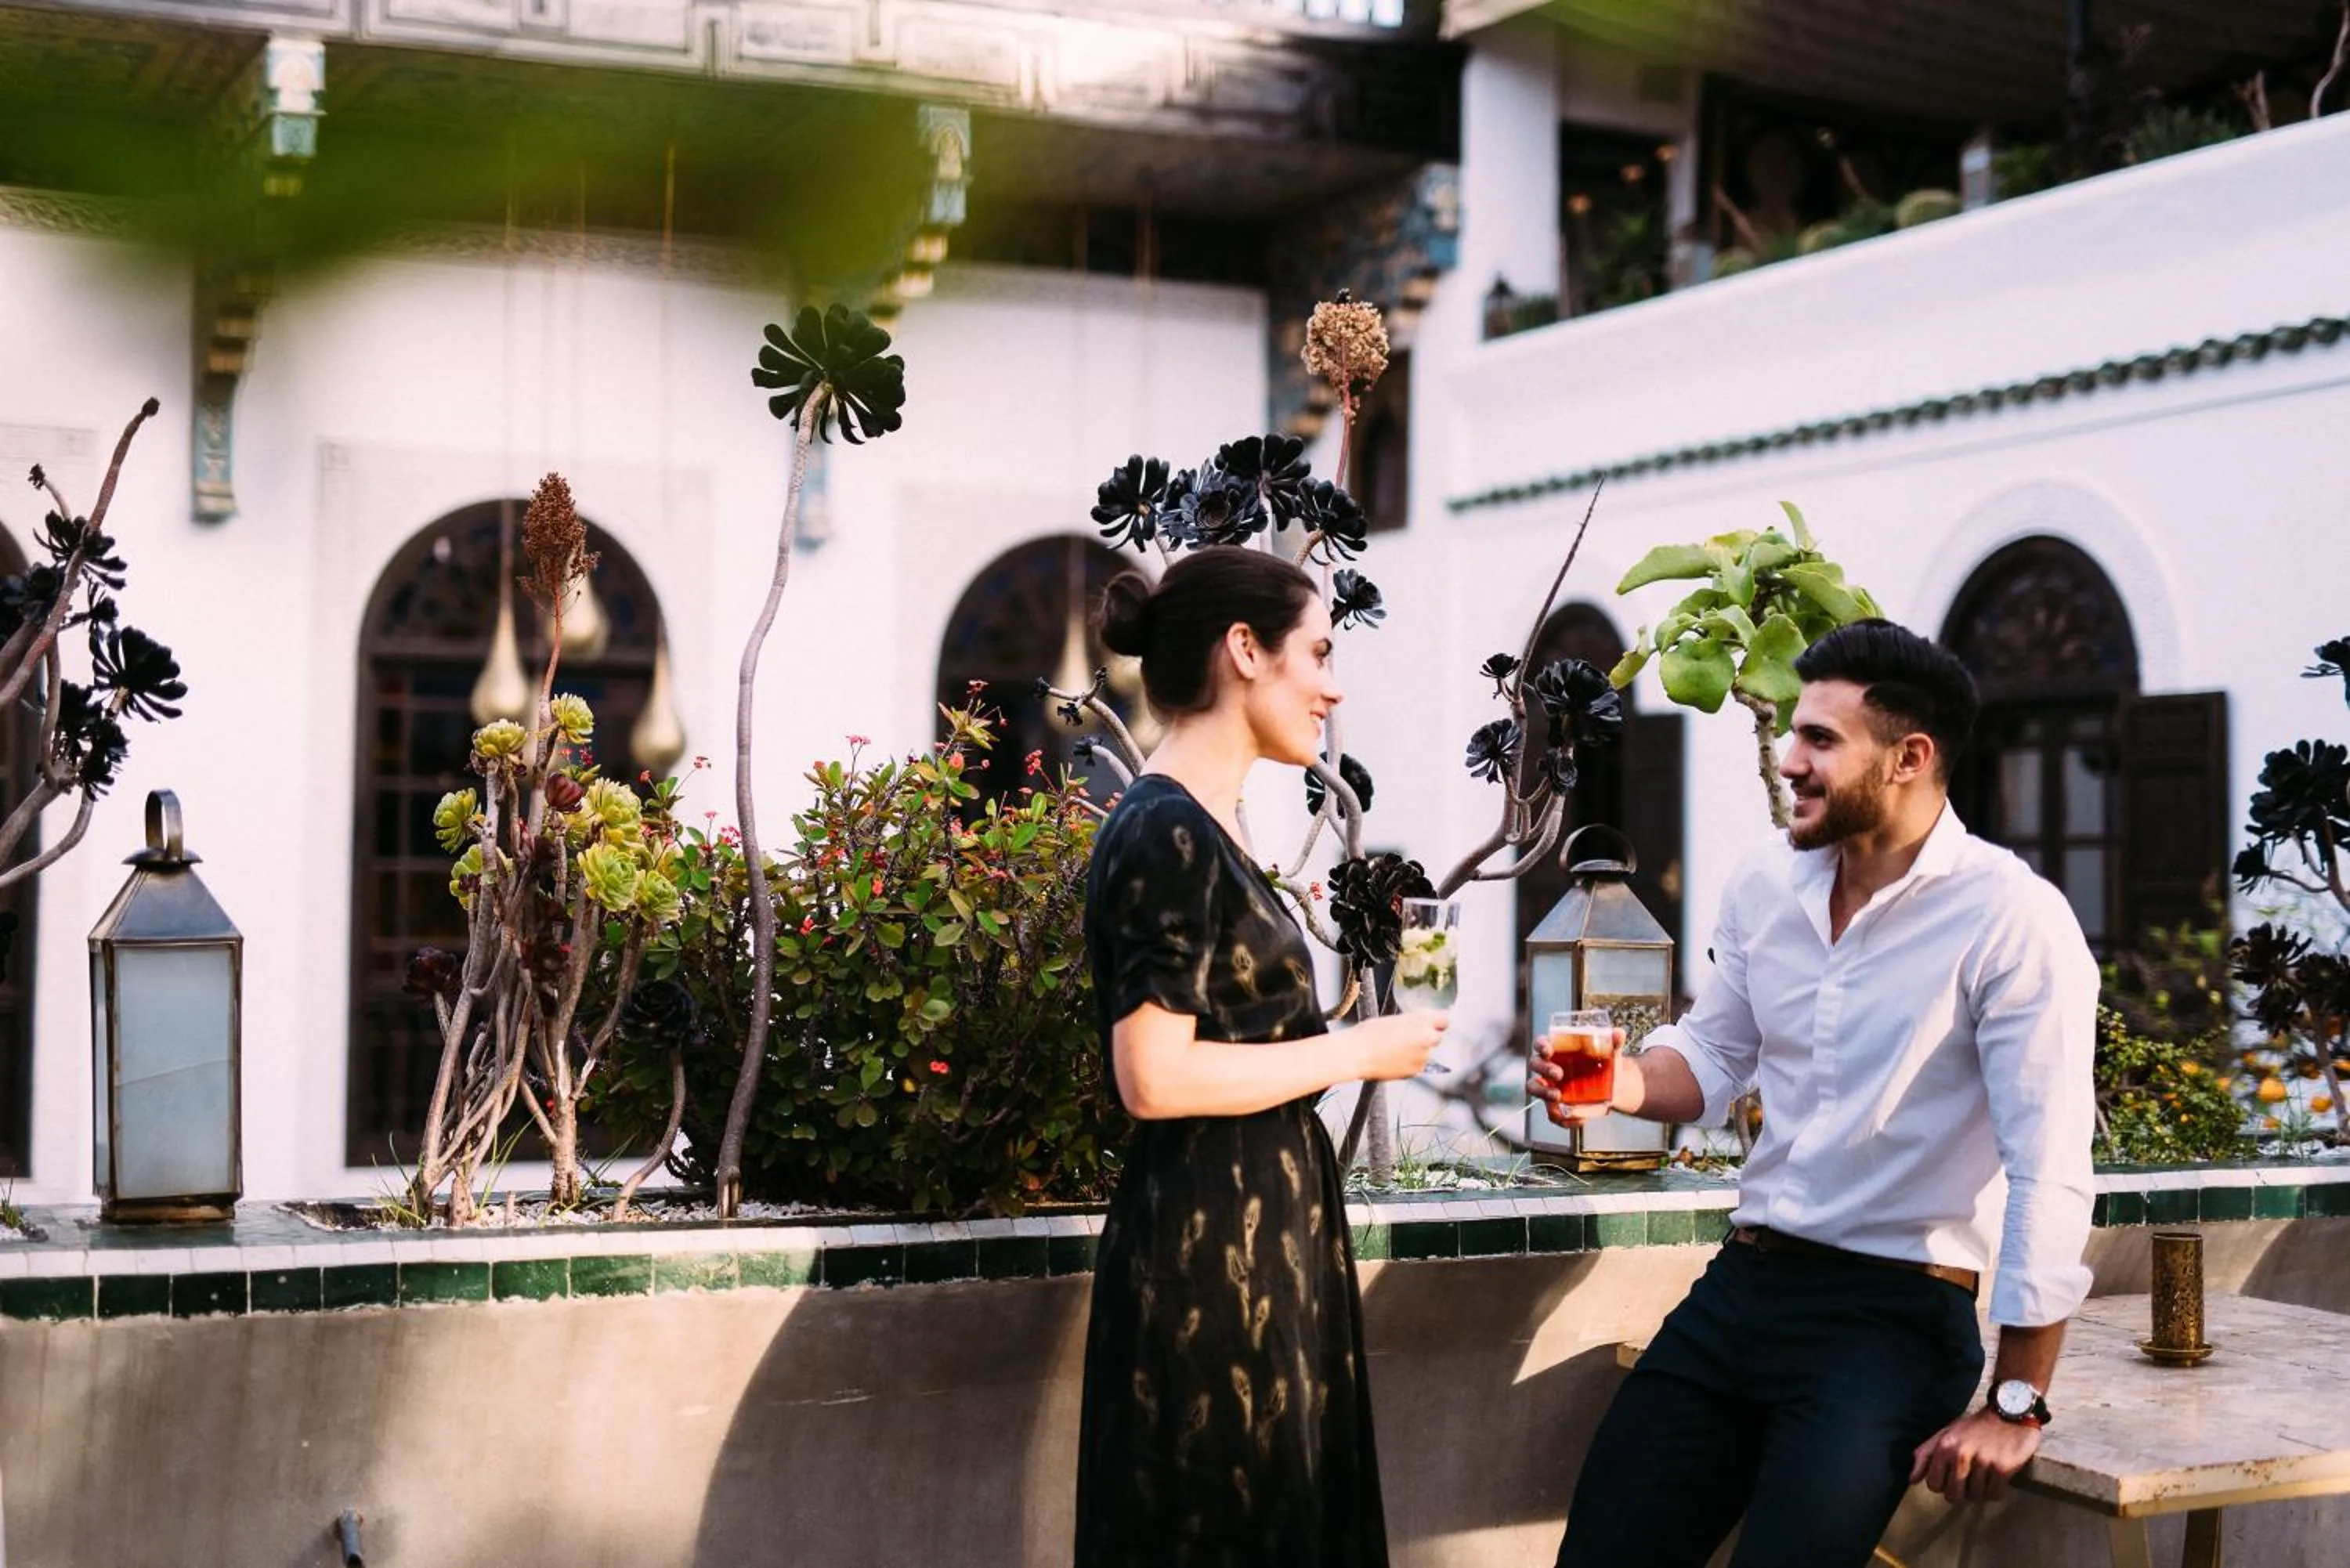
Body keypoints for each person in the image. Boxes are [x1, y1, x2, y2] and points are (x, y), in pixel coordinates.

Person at [1535, 619, 2099, 1568]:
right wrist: (1621, 1082)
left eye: (1820, 741)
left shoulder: (2012, 918)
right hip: (1744, 1288)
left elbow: (2048, 1170)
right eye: (1795, 734)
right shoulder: (1765, 883)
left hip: (1892, 1323)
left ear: (1910, 756)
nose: (1790, 760)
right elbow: (1713, 1055)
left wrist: (2016, 1401)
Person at [1075, 547, 1446, 1568]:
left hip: (1254, 1245)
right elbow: (1153, 1074)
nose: (1333, 683)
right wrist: (1357, 1048)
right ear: (1245, 649)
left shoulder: (1207, 824)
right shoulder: (1166, 829)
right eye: (1317, 651)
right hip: (1207, 1260)